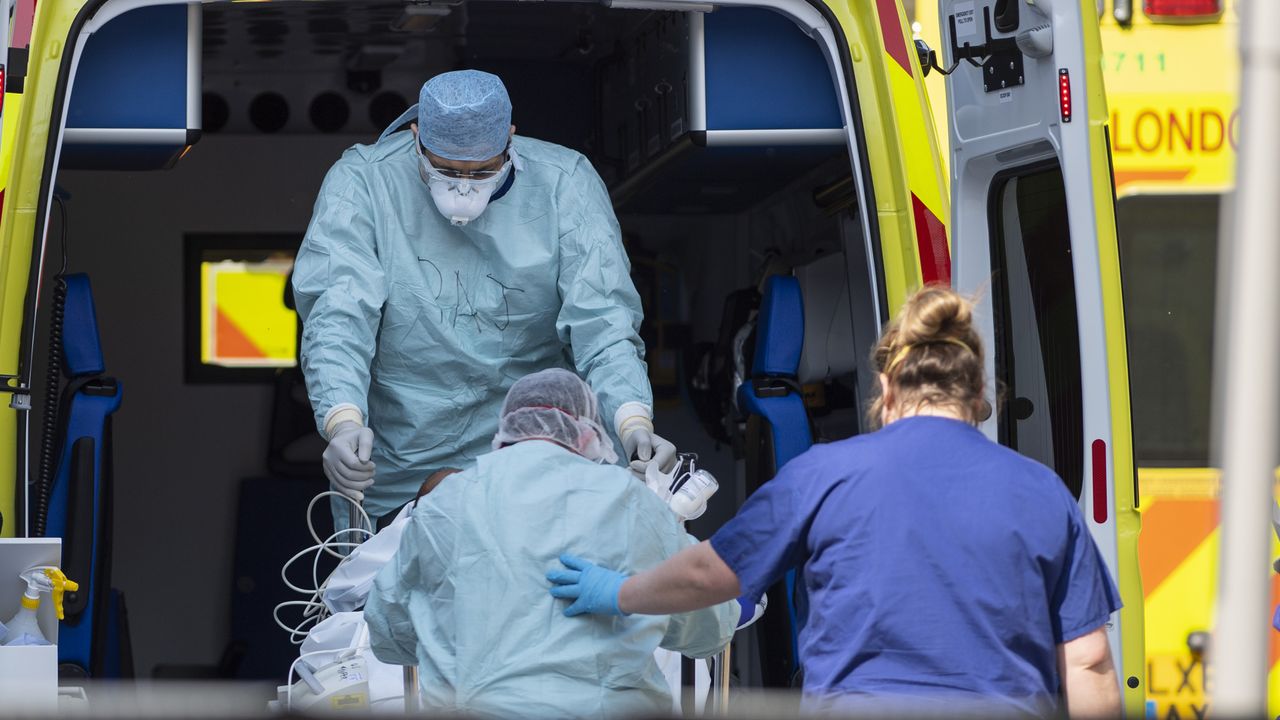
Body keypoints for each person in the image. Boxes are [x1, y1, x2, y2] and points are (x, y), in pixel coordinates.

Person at [548, 286, 1124, 718]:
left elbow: (708, 574)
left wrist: (617, 592)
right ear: (979, 395)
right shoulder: (1041, 492)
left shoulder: (823, 477)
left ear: (889, 390)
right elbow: (1089, 660)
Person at [293, 69, 676, 530]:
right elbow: (338, 314)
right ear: (416, 136)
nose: (462, 189)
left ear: (510, 139)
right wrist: (343, 420)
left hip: (538, 450)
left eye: (482, 172)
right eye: (446, 170)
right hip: (405, 461)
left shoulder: (564, 183)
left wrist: (634, 422)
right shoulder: (365, 183)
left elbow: (603, 323)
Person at [364, 368, 738, 718]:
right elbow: (709, 628)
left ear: (505, 431)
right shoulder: (630, 502)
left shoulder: (444, 503)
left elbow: (387, 632)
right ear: (589, 434)